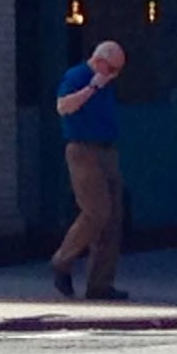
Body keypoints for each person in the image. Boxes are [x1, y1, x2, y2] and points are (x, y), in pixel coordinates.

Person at [50, 40, 128, 301]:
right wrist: (92, 87)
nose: (115, 75)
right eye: (113, 69)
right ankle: (62, 259)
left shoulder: (108, 82)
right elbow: (63, 107)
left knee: (113, 217)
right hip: (83, 150)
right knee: (97, 211)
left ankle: (100, 284)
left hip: (108, 149)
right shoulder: (77, 76)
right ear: (100, 61)